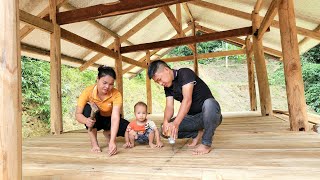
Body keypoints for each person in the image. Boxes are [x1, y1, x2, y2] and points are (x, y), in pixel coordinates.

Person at [147, 60, 222, 155]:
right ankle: (196, 133)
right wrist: (166, 122)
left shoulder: (185, 73)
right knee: (164, 129)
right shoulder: (167, 87)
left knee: (209, 103)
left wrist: (176, 123)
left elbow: (187, 100)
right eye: (157, 82)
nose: (160, 83)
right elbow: (169, 106)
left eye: (159, 79)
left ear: (166, 69)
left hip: (210, 114)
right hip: (193, 119)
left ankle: (206, 143)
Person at [75, 65, 129, 156]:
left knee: (130, 129)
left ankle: (108, 132)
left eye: (111, 84)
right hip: (96, 120)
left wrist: (112, 141)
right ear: (97, 79)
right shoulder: (88, 92)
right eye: (104, 82)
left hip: (109, 119)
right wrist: (86, 121)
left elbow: (115, 117)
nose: (107, 86)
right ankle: (94, 144)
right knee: (87, 109)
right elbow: (77, 114)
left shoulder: (116, 94)